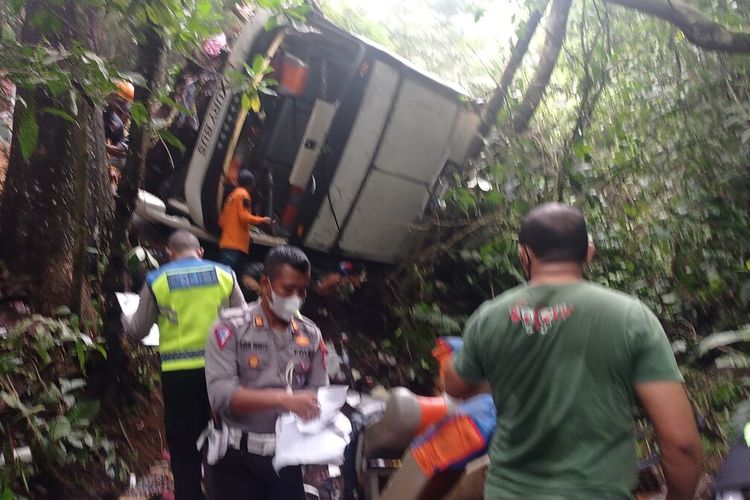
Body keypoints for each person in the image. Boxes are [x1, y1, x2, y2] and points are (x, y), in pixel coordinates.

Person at [444, 203, 703, 500]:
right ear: (588, 252)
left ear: (523, 253)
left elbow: (454, 385)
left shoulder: (489, 317)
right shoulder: (631, 317)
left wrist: (501, 370)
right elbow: (681, 443)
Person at [122, 230, 245, 500]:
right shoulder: (225, 274)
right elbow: (244, 324)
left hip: (179, 378)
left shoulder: (158, 280)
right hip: (220, 374)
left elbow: (137, 331)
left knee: (184, 448)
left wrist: (124, 314)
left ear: (169, 253)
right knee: (224, 442)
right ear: (200, 251)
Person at [204, 245, 329, 500]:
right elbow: (221, 395)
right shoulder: (231, 327)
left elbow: (320, 391)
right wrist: (285, 399)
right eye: (288, 288)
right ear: (265, 284)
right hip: (237, 459)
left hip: (285, 460)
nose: (295, 297)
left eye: (302, 290)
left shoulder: (310, 333)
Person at [218, 170, 272, 275]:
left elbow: (222, 220)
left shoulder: (232, 195)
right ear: (251, 184)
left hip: (227, 241)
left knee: (222, 276)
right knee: (226, 277)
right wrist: (262, 220)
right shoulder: (244, 195)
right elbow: (244, 217)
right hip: (235, 243)